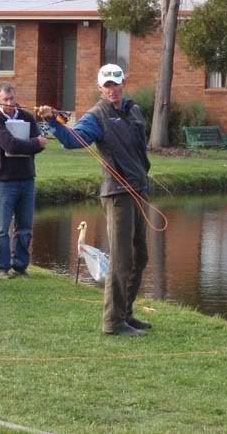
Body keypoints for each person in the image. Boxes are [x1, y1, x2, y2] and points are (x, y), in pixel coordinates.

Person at [37, 64, 151, 337]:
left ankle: (126, 313)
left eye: (116, 83)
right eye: (107, 85)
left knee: (140, 256)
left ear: (123, 82)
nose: (112, 89)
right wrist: (53, 122)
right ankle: (113, 322)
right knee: (122, 259)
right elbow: (74, 140)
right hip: (117, 194)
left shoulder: (134, 110)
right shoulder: (96, 116)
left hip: (139, 190)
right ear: (100, 87)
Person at [0, 82, 46, 278]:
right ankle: (1, 268)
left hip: (27, 179)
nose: (10, 103)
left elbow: (40, 145)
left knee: (25, 227)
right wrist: (33, 143)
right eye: (5, 99)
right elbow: (9, 145)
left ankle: (20, 266)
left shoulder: (27, 116)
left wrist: (32, 144)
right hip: (4, 181)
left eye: (12, 98)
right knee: (2, 228)